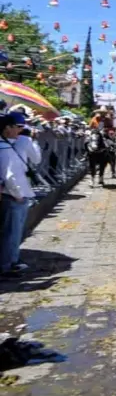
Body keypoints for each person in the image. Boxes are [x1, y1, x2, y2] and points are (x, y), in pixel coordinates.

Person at [0, 112, 39, 274]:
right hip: (14, 196)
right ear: (7, 128)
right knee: (12, 233)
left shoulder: (10, 144)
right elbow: (9, 175)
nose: (20, 131)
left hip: (17, 193)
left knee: (14, 232)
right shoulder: (4, 148)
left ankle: (12, 259)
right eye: (18, 127)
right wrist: (18, 195)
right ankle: (7, 264)